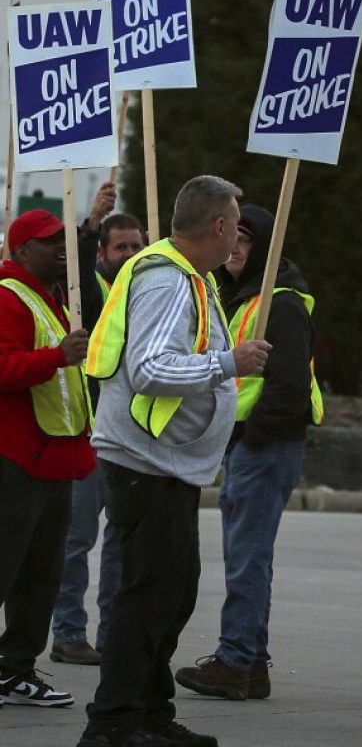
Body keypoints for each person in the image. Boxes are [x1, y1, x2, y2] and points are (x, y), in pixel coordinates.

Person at [76, 176, 271, 747]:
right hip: (145, 464)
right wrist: (229, 363)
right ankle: (115, 722)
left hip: (165, 464)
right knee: (147, 598)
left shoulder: (190, 276)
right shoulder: (166, 279)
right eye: (234, 224)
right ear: (217, 226)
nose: (237, 236)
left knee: (171, 593)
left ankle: (149, 714)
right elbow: (151, 369)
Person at [174, 203, 322, 702]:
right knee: (248, 557)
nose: (234, 246)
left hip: (265, 446)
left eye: (246, 240)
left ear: (263, 248)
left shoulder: (278, 303)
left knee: (247, 560)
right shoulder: (241, 297)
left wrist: (253, 437)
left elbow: (289, 388)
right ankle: (249, 662)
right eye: (230, 237)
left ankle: (236, 661)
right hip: (251, 445)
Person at [0, 208, 92, 708]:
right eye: (48, 240)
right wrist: (57, 355)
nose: (62, 247)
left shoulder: (55, 297)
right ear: (19, 251)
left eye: (65, 239)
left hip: (53, 461)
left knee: (41, 577)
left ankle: (14, 671)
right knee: (7, 570)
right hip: (15, 461)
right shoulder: (8, 297)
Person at [51, 195, 146, 666]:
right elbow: (82, 286)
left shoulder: (151, 291)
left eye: (137, 246)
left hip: (130, 436)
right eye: (121, 247)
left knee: (121, 545)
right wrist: (90, 224)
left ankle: (112, 635)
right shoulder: (92, 290)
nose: (130, 254)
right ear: (105, 254)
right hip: (91, 433)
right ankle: (68, 632)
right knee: (78, 539)